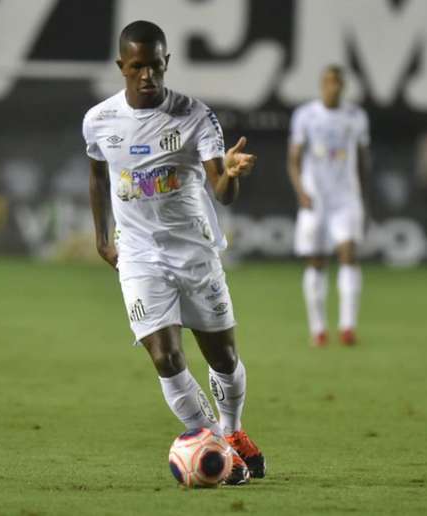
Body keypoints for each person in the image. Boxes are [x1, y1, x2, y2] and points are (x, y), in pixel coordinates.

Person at [83, 20, 265, 485]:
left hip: (196, 253)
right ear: (121, 66)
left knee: (222, 358)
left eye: (155, 65)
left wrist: (232, 173)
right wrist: (103, 239)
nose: (147, 75)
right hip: (140, 257)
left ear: (167, 64)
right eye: (137, 66)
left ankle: (233, 431)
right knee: (165, 357)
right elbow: (98, 175)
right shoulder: (99, 120)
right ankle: (217, 448)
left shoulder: (195, 116)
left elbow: (222, 192)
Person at [286, 65, 371, 347]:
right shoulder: (306, 116)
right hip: (316, 198)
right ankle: (319, 329)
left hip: (346, 198)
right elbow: (294, 159)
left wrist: (363, 196)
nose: (332, 87)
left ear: (342, 86)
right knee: (317, 260)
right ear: (321, 85)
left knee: (348, 253)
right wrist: (301, 191)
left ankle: (348, 327)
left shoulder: (356, 116)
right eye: (327, 82)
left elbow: (361, 158)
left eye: (337, 82)